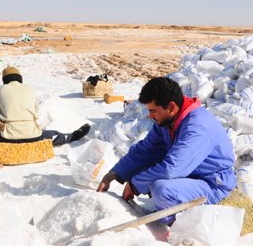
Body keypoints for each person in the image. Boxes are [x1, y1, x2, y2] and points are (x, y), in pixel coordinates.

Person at [96, 76, 236, 224]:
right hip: (191, 177)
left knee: (162, 189)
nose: (150, 116)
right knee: (150, 166)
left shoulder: (197, 127)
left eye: (153, 111)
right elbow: (145, 150)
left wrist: (135, 184)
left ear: (171, 107)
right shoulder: (168, 121)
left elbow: (172, 169)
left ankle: (170, 225)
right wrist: (114, 174)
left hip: (213, 184)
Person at [0, 66, 90, 151]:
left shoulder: (0, 90)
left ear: (4, 80)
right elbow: (36, 113)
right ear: (20, 79)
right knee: (50, 134)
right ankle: (70, 137)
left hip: (8, 139)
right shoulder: (30, 89)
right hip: (33, 137)